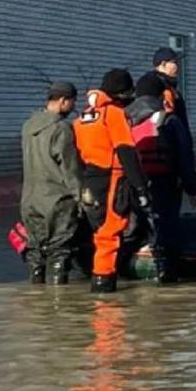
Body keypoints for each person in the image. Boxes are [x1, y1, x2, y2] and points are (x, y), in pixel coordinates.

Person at [74, 69, 152, 293]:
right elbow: (126, 150)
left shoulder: (83, 118)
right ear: (122, 93)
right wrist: (141, 188)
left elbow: (77, 154)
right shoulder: (114, 114)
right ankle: (104, 290)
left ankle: (99, 283)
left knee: (98, 232)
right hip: (112, 179)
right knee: (110, 233)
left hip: (89, 180)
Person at [126, 73, 196, 283]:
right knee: (165, 228)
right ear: (160, 95)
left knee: (133, 227)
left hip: (130, 184)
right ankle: (166, 273)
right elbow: (184, 156)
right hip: (163, 182)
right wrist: (192, 187)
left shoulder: (123, 119)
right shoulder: (169, 120)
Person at [19, 81, 83, 284]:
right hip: (57, 202)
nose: (73, 107)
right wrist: (81, 199)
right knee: (59, 252)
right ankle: (58, 305)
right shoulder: (61, 128)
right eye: (72, 102)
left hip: (29, 201)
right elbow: (70, 169)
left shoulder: (28, 126)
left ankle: (37, 303)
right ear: (64, 101)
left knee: (36, 253)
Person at [143, 47, 190, 134]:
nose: (177, 66)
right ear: (163, 64)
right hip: (162, 142)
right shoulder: (150, 83)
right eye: (174, 62)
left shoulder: (171, 87)